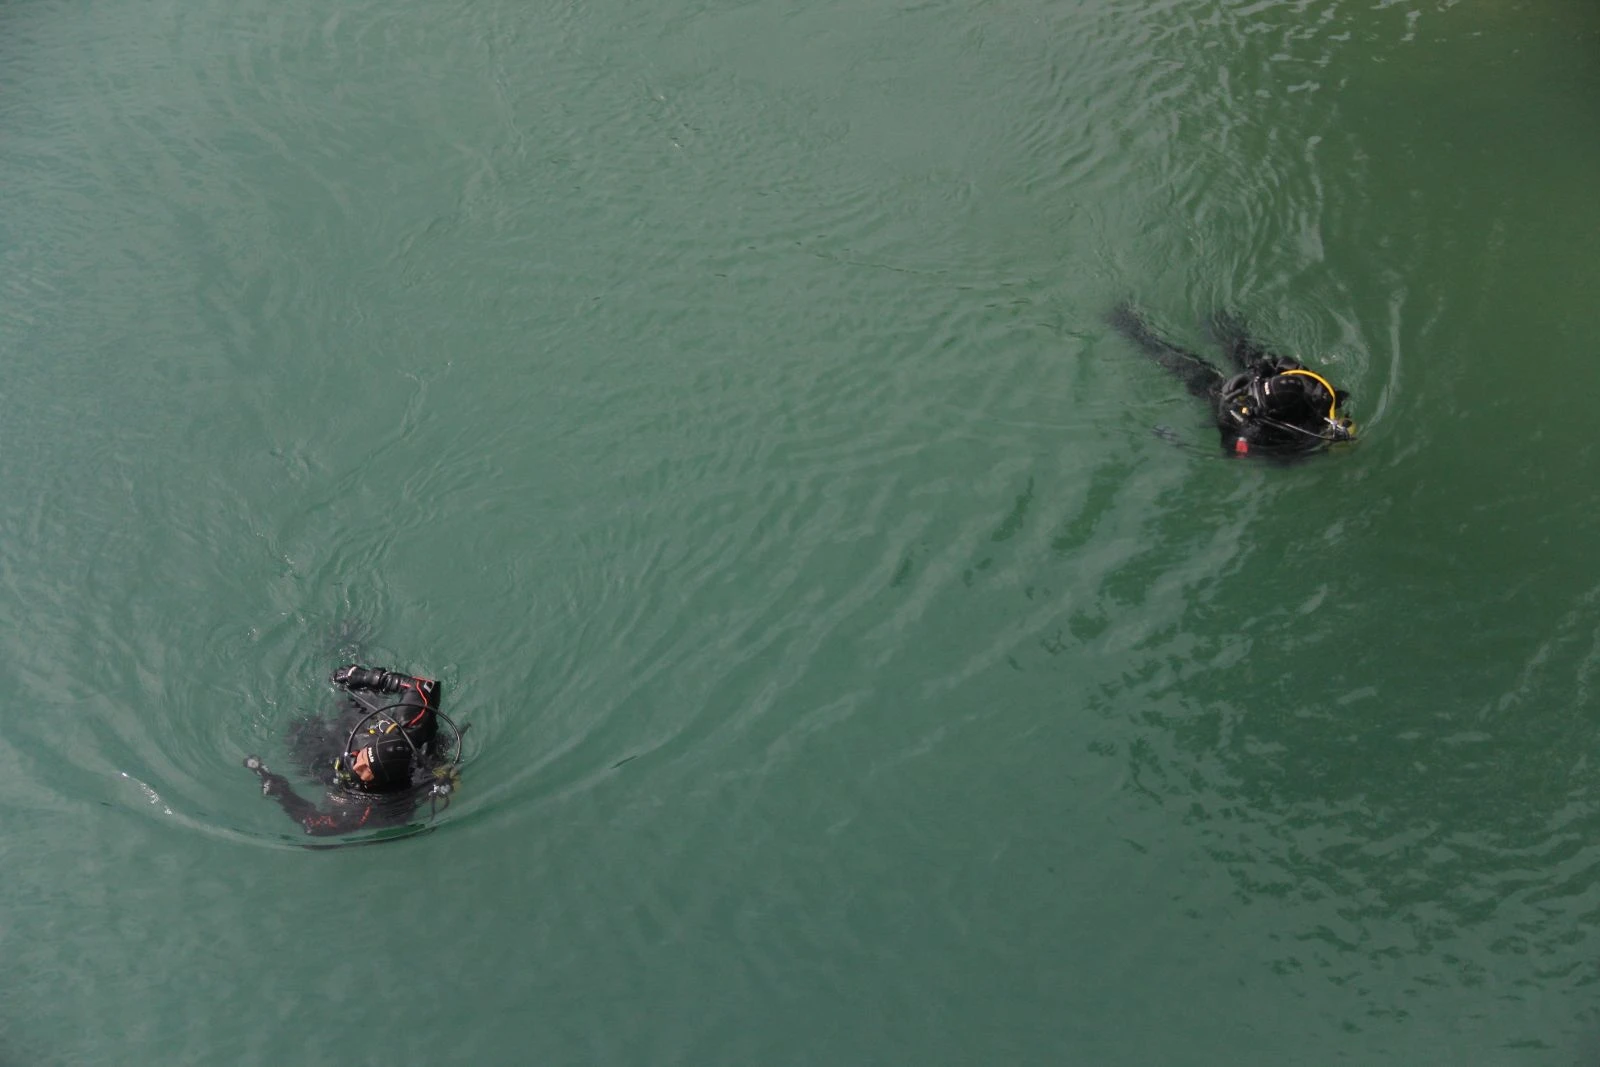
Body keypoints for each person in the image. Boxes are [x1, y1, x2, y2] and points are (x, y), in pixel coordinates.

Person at [1107, 302, 1356, 457]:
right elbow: (1287, 365)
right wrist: (1263, 370)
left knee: (1190, 369)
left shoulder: (1280, 430)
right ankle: (1213, 315)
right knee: (1245, 349)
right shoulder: (1308, 389)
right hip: (1255, 378)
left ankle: (1132, 329)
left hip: (1228, 400)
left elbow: (1233, 448)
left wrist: (1230, 410)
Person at [244, 665, 459, 837]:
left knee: (298, 736)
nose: (356, 762)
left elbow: (315, 827)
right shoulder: (407, 729)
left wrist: (281, 791)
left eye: (365, 767)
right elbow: (425, 686)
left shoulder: (366, 811)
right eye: (363, 755)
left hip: (347, 776)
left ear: (378, 782)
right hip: (363, 729)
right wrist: (367, 677)